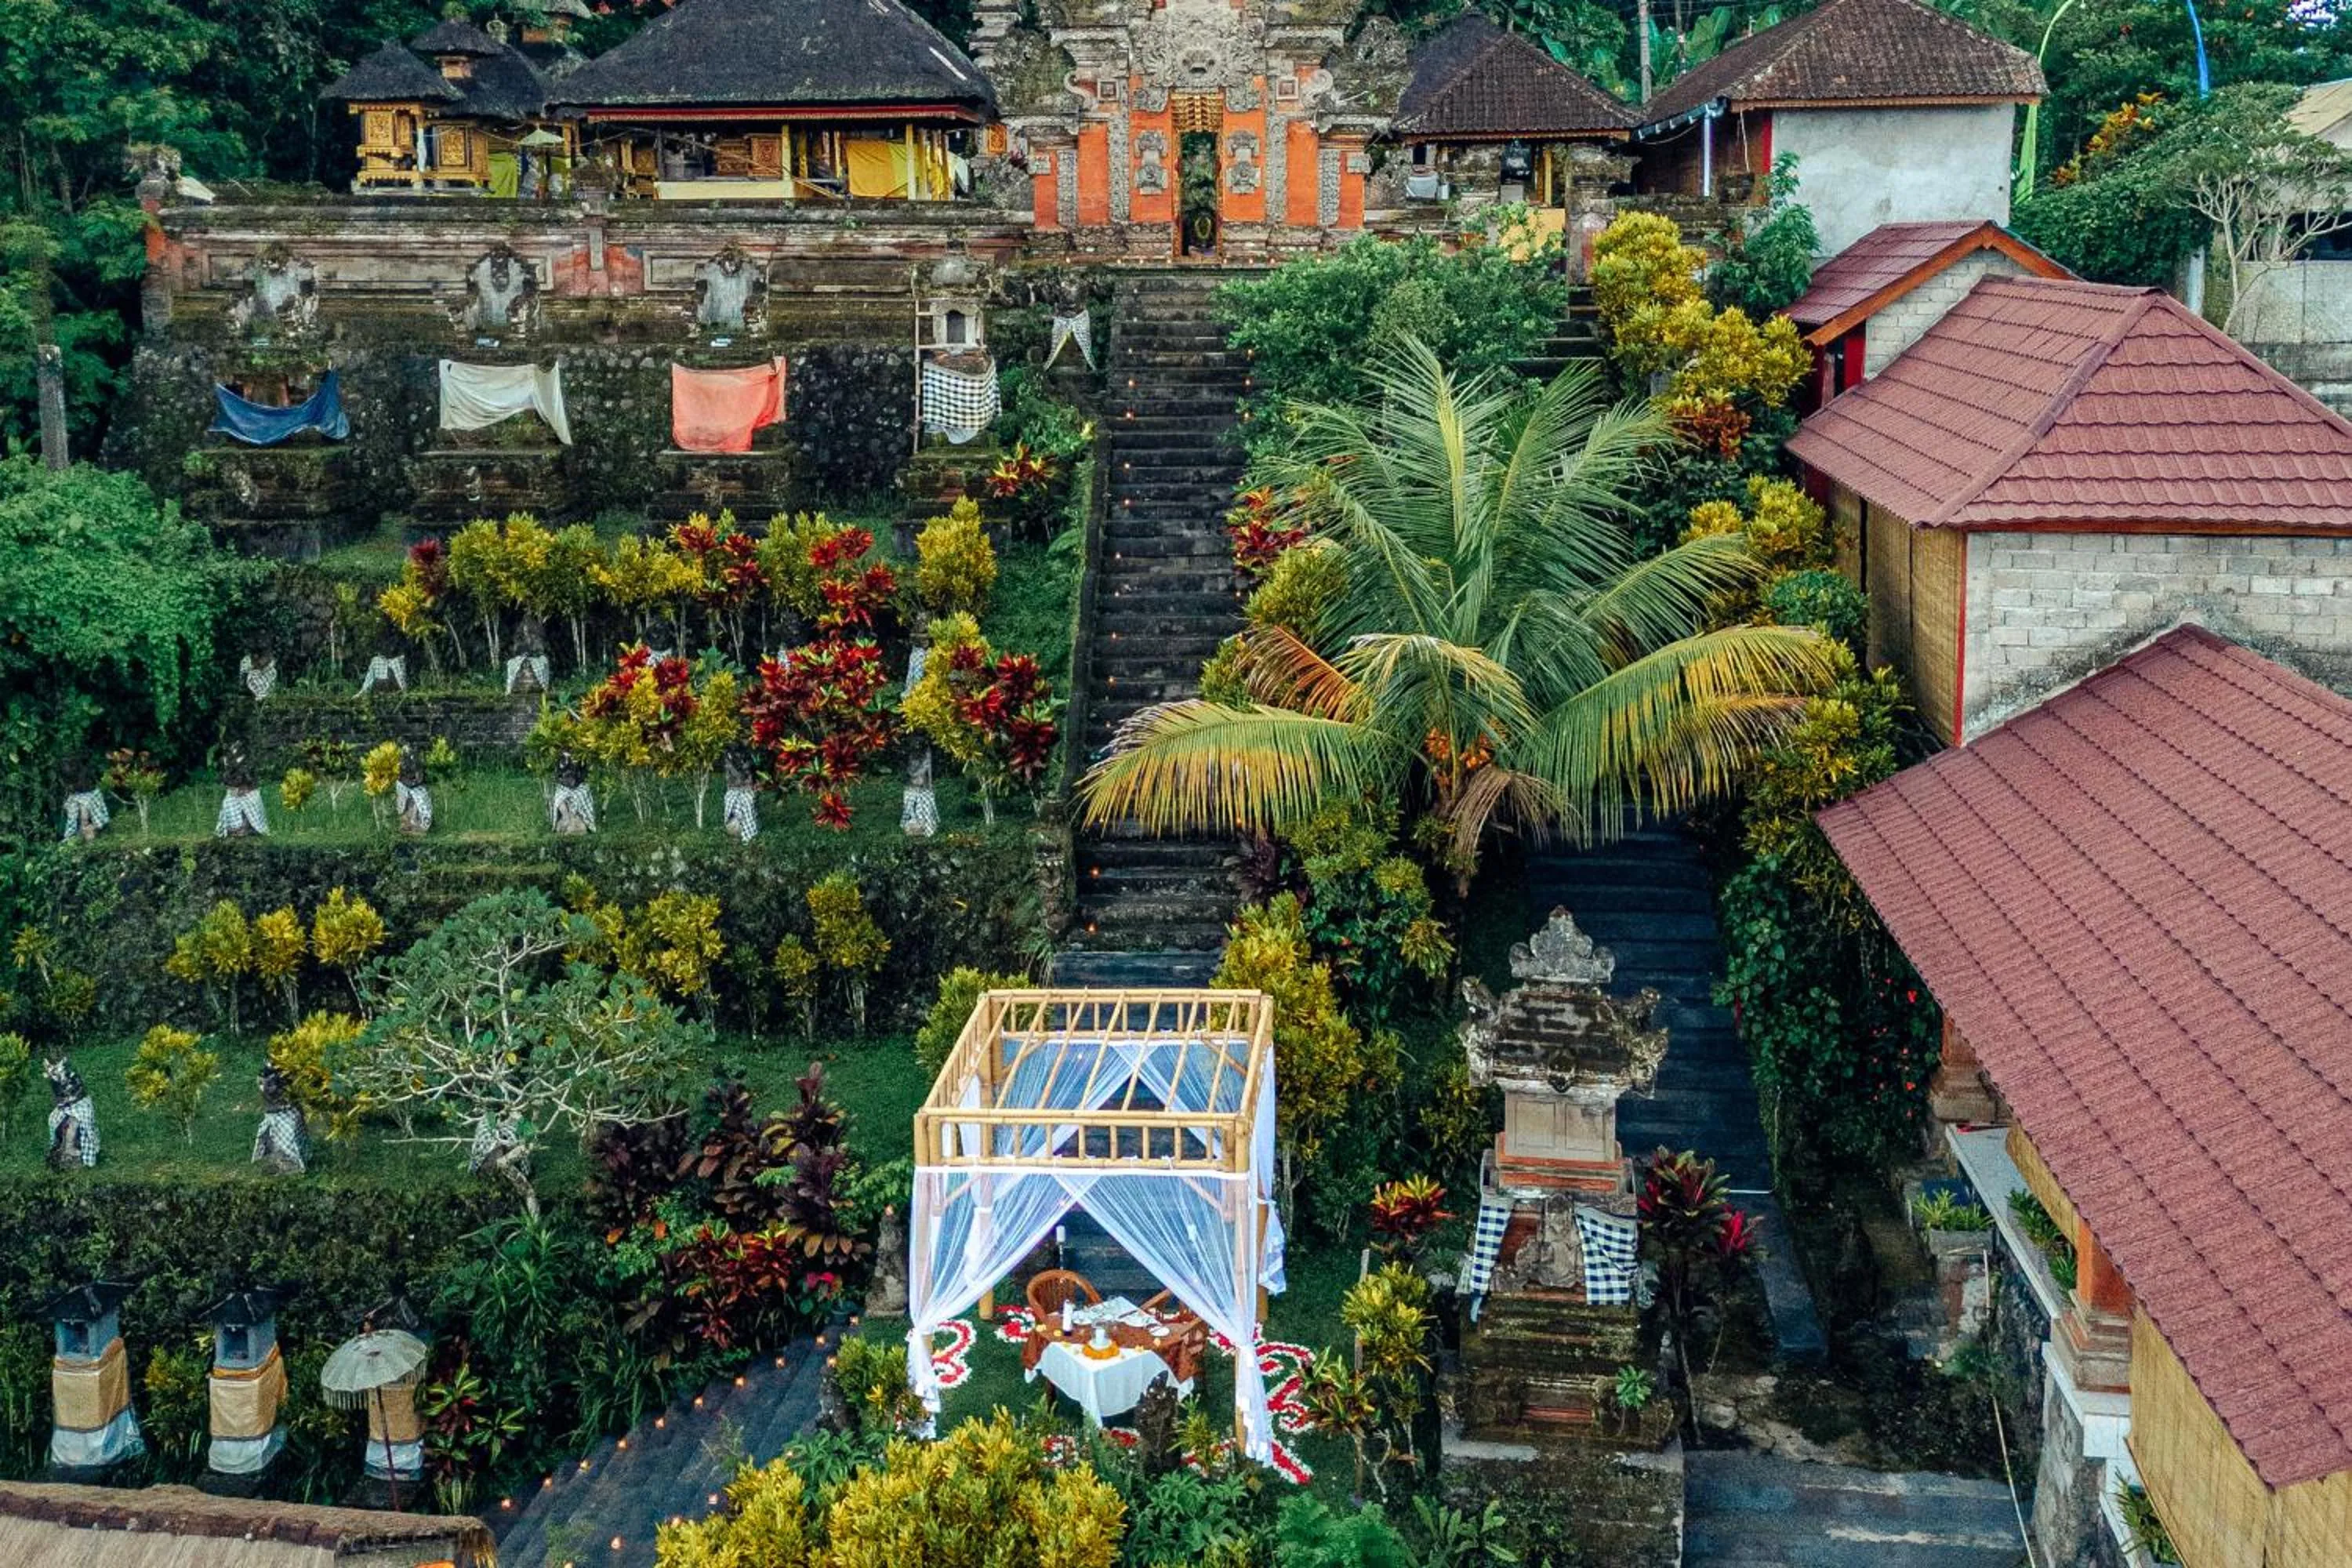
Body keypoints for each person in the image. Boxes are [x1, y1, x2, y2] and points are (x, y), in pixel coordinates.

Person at [550, 753, 596, 835]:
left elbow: (584, 773)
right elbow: (559, 774)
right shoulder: (562, 759)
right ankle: (566, 818)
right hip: (565, 786)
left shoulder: (581, 757)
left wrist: (577, 780)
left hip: (579, 785)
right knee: (560, 799)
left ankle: (577, 820)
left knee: (580, 796)